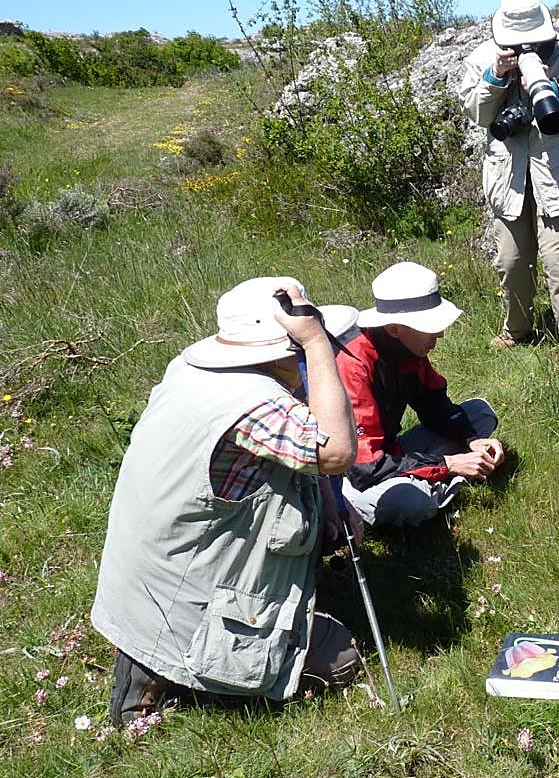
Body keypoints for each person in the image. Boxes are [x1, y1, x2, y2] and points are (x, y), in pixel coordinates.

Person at [91, 278, 363, 728]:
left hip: (147, 572)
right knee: (342, 659)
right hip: (185, 593)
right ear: (284, 342)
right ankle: (167, 666)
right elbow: (335, 452)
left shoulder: (193, 370)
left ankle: (159, 652)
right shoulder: (254, 404)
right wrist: (315, 343)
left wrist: (327, 507)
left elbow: (297, 444)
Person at [457, 0, 559, 380]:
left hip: (556, 174)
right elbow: (478, 114)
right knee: (511, 262)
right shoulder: (484, 58)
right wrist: (497, 77)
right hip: (508, 178)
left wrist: (550, 90)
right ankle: (516, 329)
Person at [337, 262, 505, 527]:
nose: (440, 333)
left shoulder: (406, 348)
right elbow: (365, 468)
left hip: (387, 452)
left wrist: (471, 439)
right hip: (348, 477)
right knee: (410, 500)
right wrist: (449, 464)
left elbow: (435, 406)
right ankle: (440, 484)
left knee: (480, 412)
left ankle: (439, 478)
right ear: (394, 328)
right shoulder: (354, 364)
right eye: (430, 326)